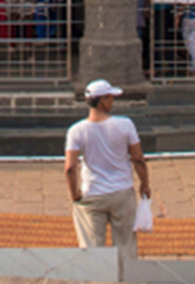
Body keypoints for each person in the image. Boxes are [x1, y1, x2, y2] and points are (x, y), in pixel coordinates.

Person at [64, 78, 151, 273]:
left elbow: (70, 168)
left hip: (92, 194)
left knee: (92, 247)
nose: (112, 101)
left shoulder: (76, 131)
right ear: (102, 101)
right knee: (126, 245)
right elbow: (138, 159)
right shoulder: (125, 125)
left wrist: (74, 194)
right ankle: (127, 282)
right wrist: (145, 183)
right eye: (110, 97)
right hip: (122, 192)